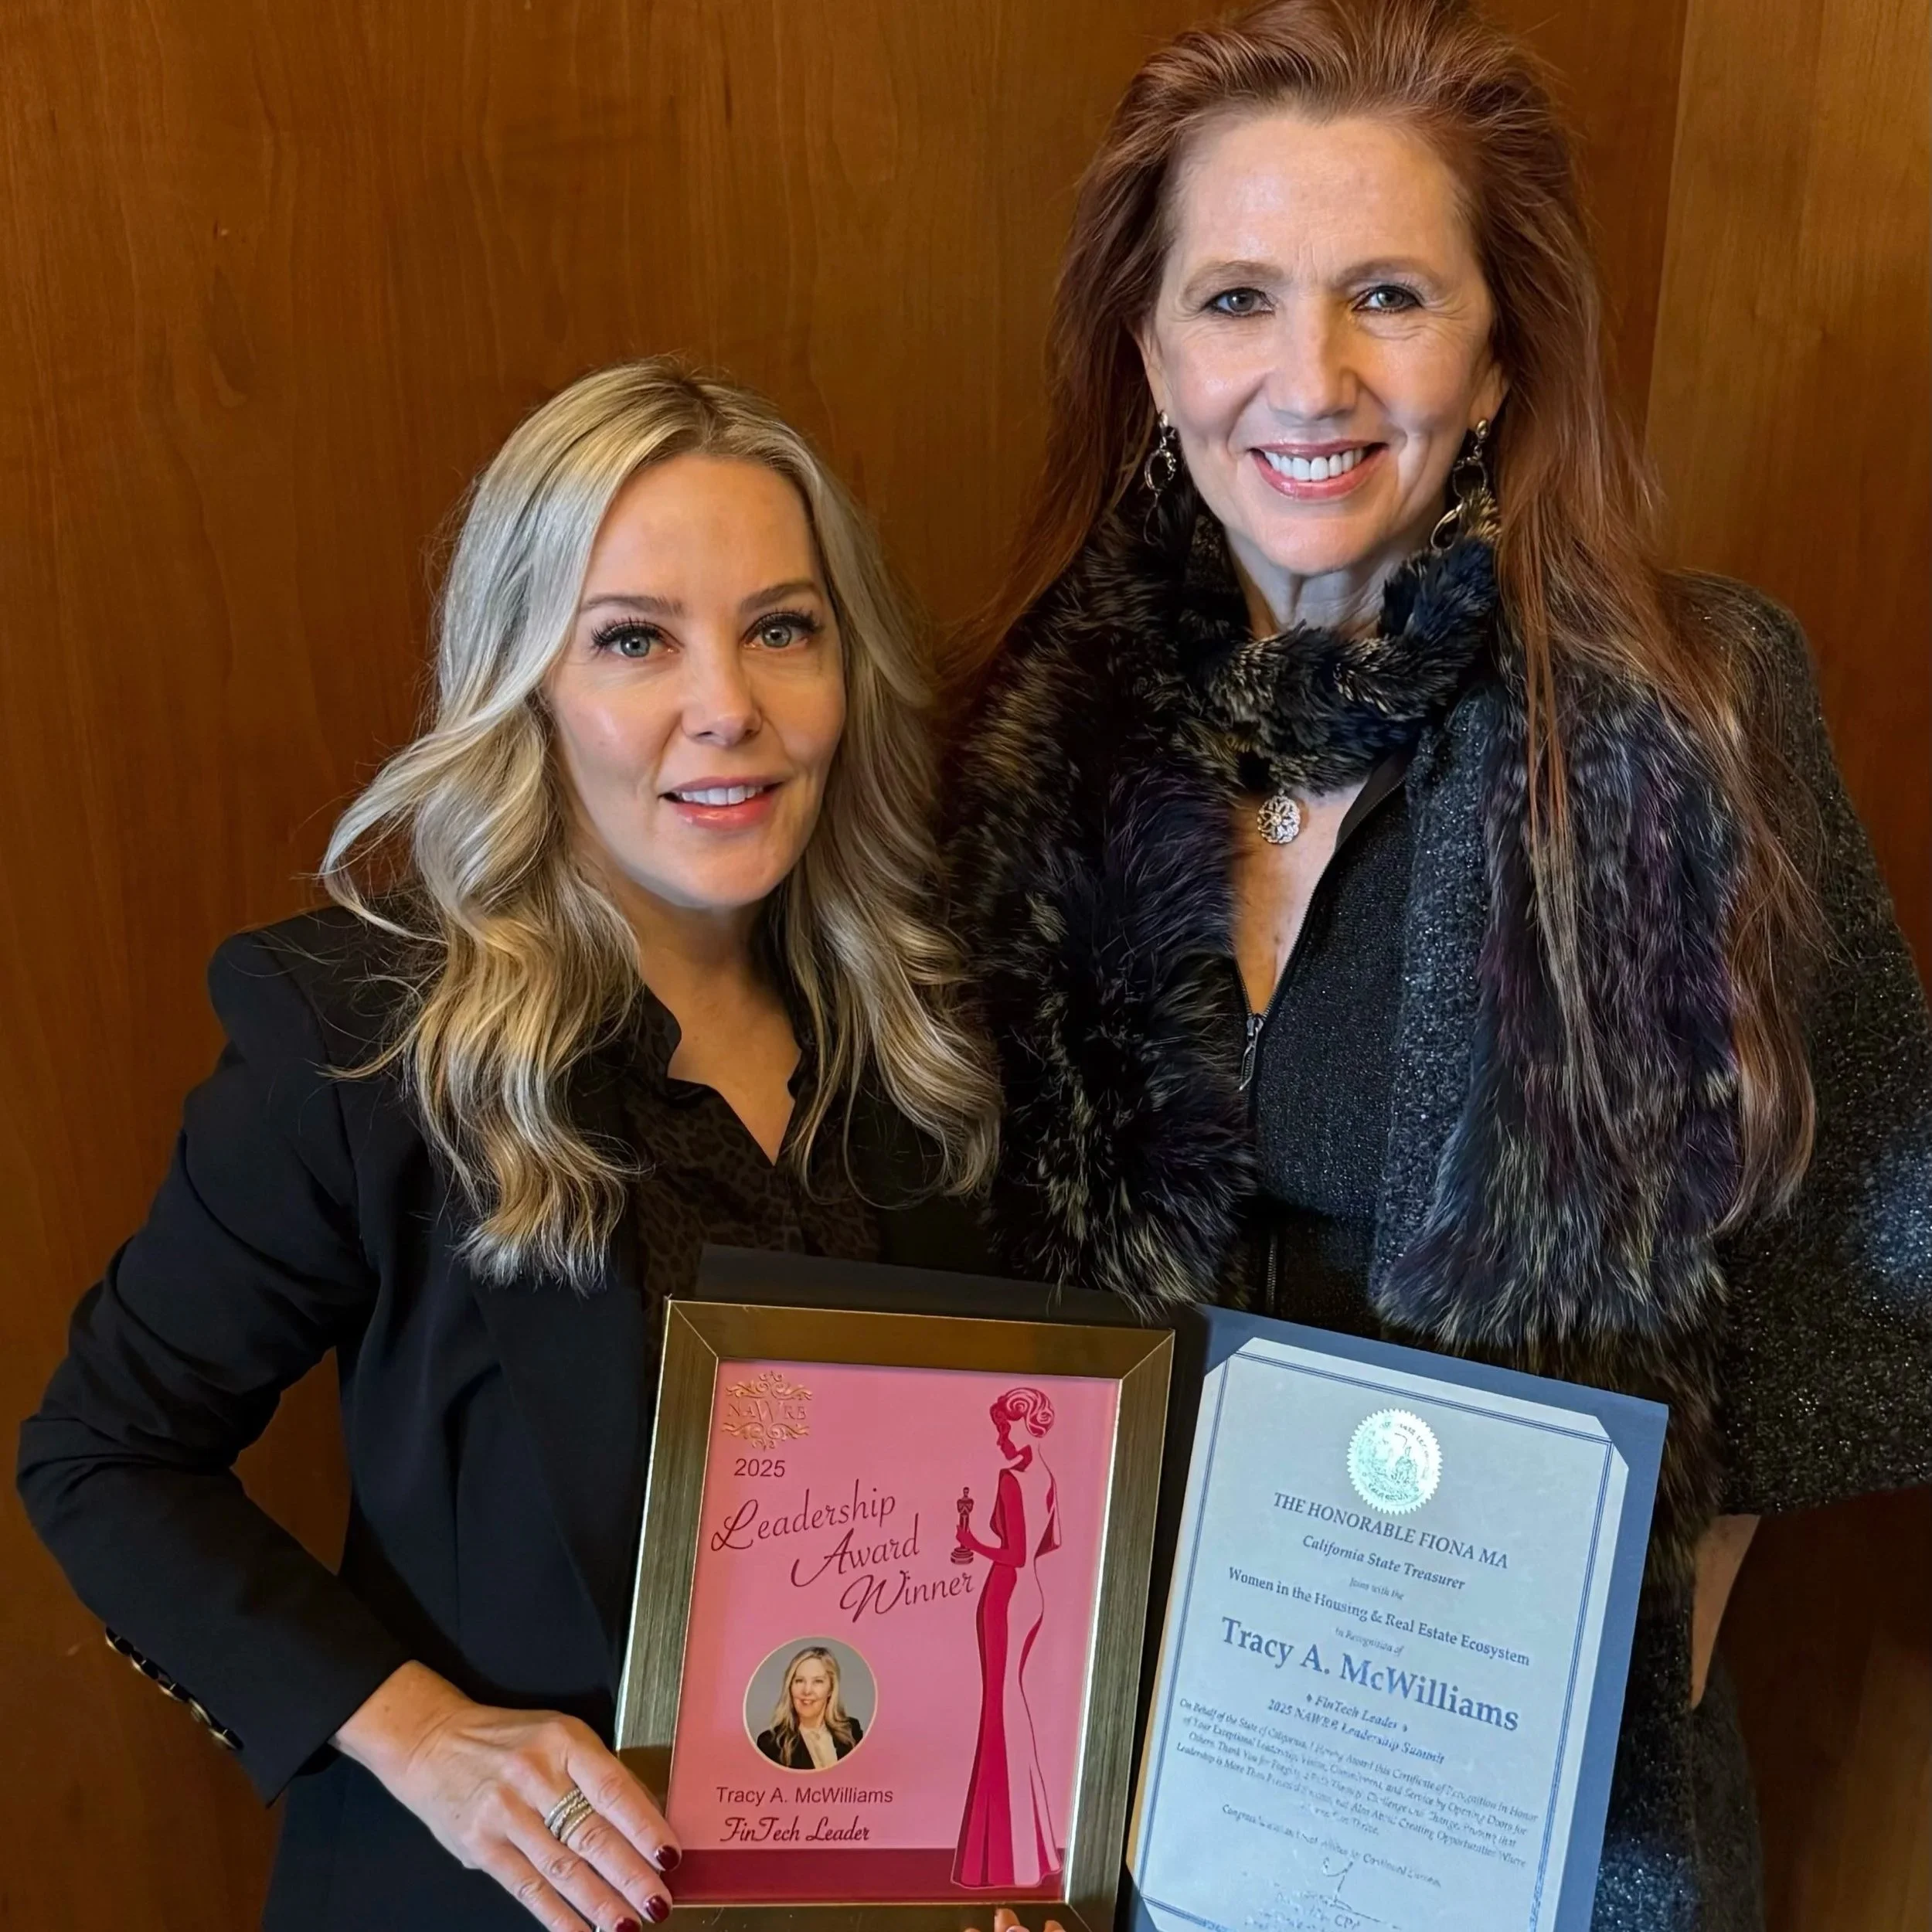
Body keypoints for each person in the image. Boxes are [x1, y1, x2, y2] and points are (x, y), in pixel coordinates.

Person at [947, 3, 1932, 1929]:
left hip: (1547, 1812)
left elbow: (1873, 1239)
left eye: (1387, 293)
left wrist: (1631, 1656)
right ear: (1149, 356)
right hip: (1113, 1798)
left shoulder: (1689, 706)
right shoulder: (1016, 742)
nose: (1306, 379)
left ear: (1494, 357)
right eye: (1235, 300)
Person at [18, 359, 999, 1932]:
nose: (726, 707)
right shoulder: (359, 1044)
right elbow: (103, 1459)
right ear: (526, 683)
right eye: (633, 639)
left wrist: (1019, 1839)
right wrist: (421, 1733)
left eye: (780, 627)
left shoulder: (935, 1033)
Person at [952, 1388, 1062, 1889]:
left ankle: (1004, 1857)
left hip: (1007, 1594)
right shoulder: (1046, 1478)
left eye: (1004, 1426)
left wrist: (970, 1538)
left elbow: (1014, 1553)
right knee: (1008, 1706)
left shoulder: (1012, 1479)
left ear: (1024, 1424)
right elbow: (1046, 1544)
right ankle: (1024, 1852)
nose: (1000, 1435)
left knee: (1000, 1707)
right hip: (1034, 1594)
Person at [753, 1645, 865, 1770]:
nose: (807, 1691)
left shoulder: (852, 1731)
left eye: (818, 1681)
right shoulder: (770, 1744)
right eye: (799, 1681)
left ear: (831, 1689)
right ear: (790, 1687)